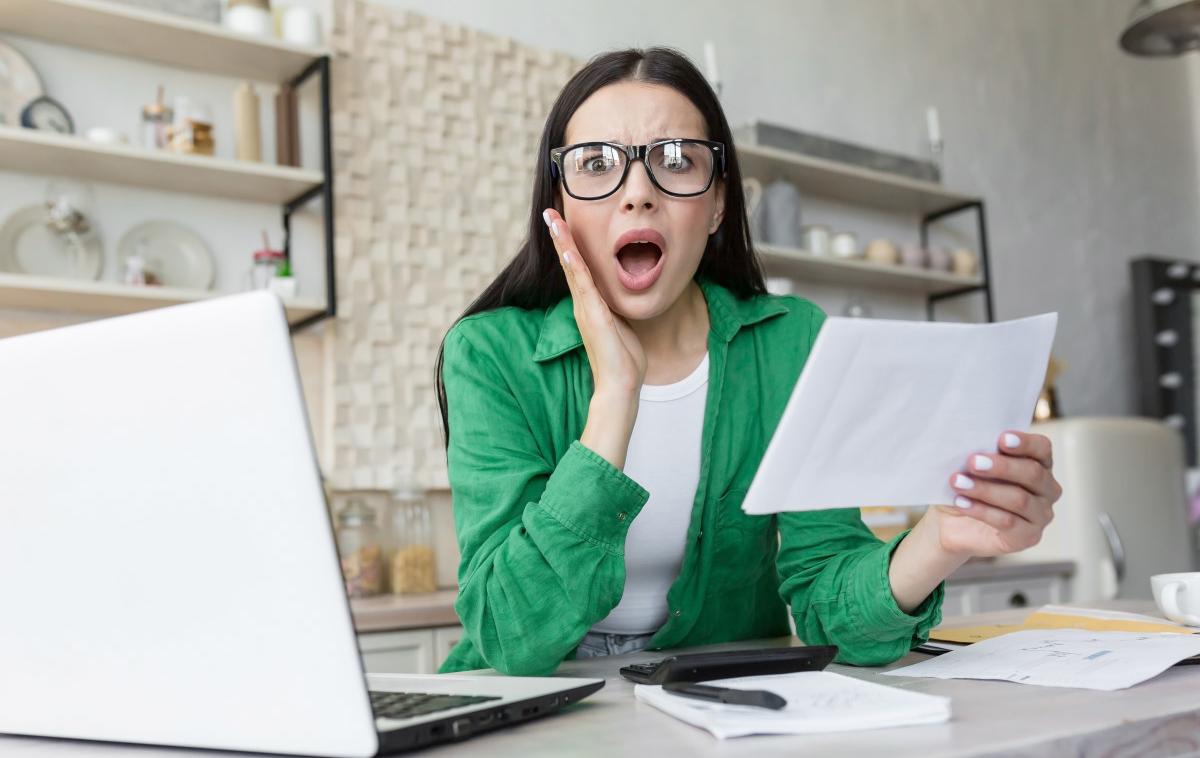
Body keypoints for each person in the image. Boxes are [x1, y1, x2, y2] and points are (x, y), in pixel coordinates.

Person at [434, 47, 1062, 676]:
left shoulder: (792, 344)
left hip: (721, 707)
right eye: (596, 164)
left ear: (717, 206)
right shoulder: (488, 353)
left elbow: (836, 615)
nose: (637, 194)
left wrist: (943, 536)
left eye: (676, 161)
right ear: (560, 206)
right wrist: (615, 399)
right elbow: (510, 636)